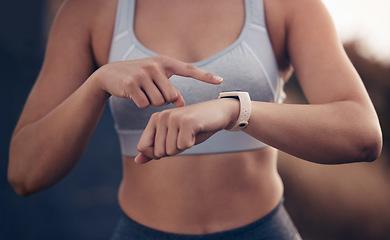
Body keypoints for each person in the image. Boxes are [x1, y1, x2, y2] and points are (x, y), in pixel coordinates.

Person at [8, 0, 382, 239]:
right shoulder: (89, 12)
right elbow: (24, 173)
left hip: (263, 231)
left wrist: (235, 110)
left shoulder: (285, 5)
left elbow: (362, 134)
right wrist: (98, 82)